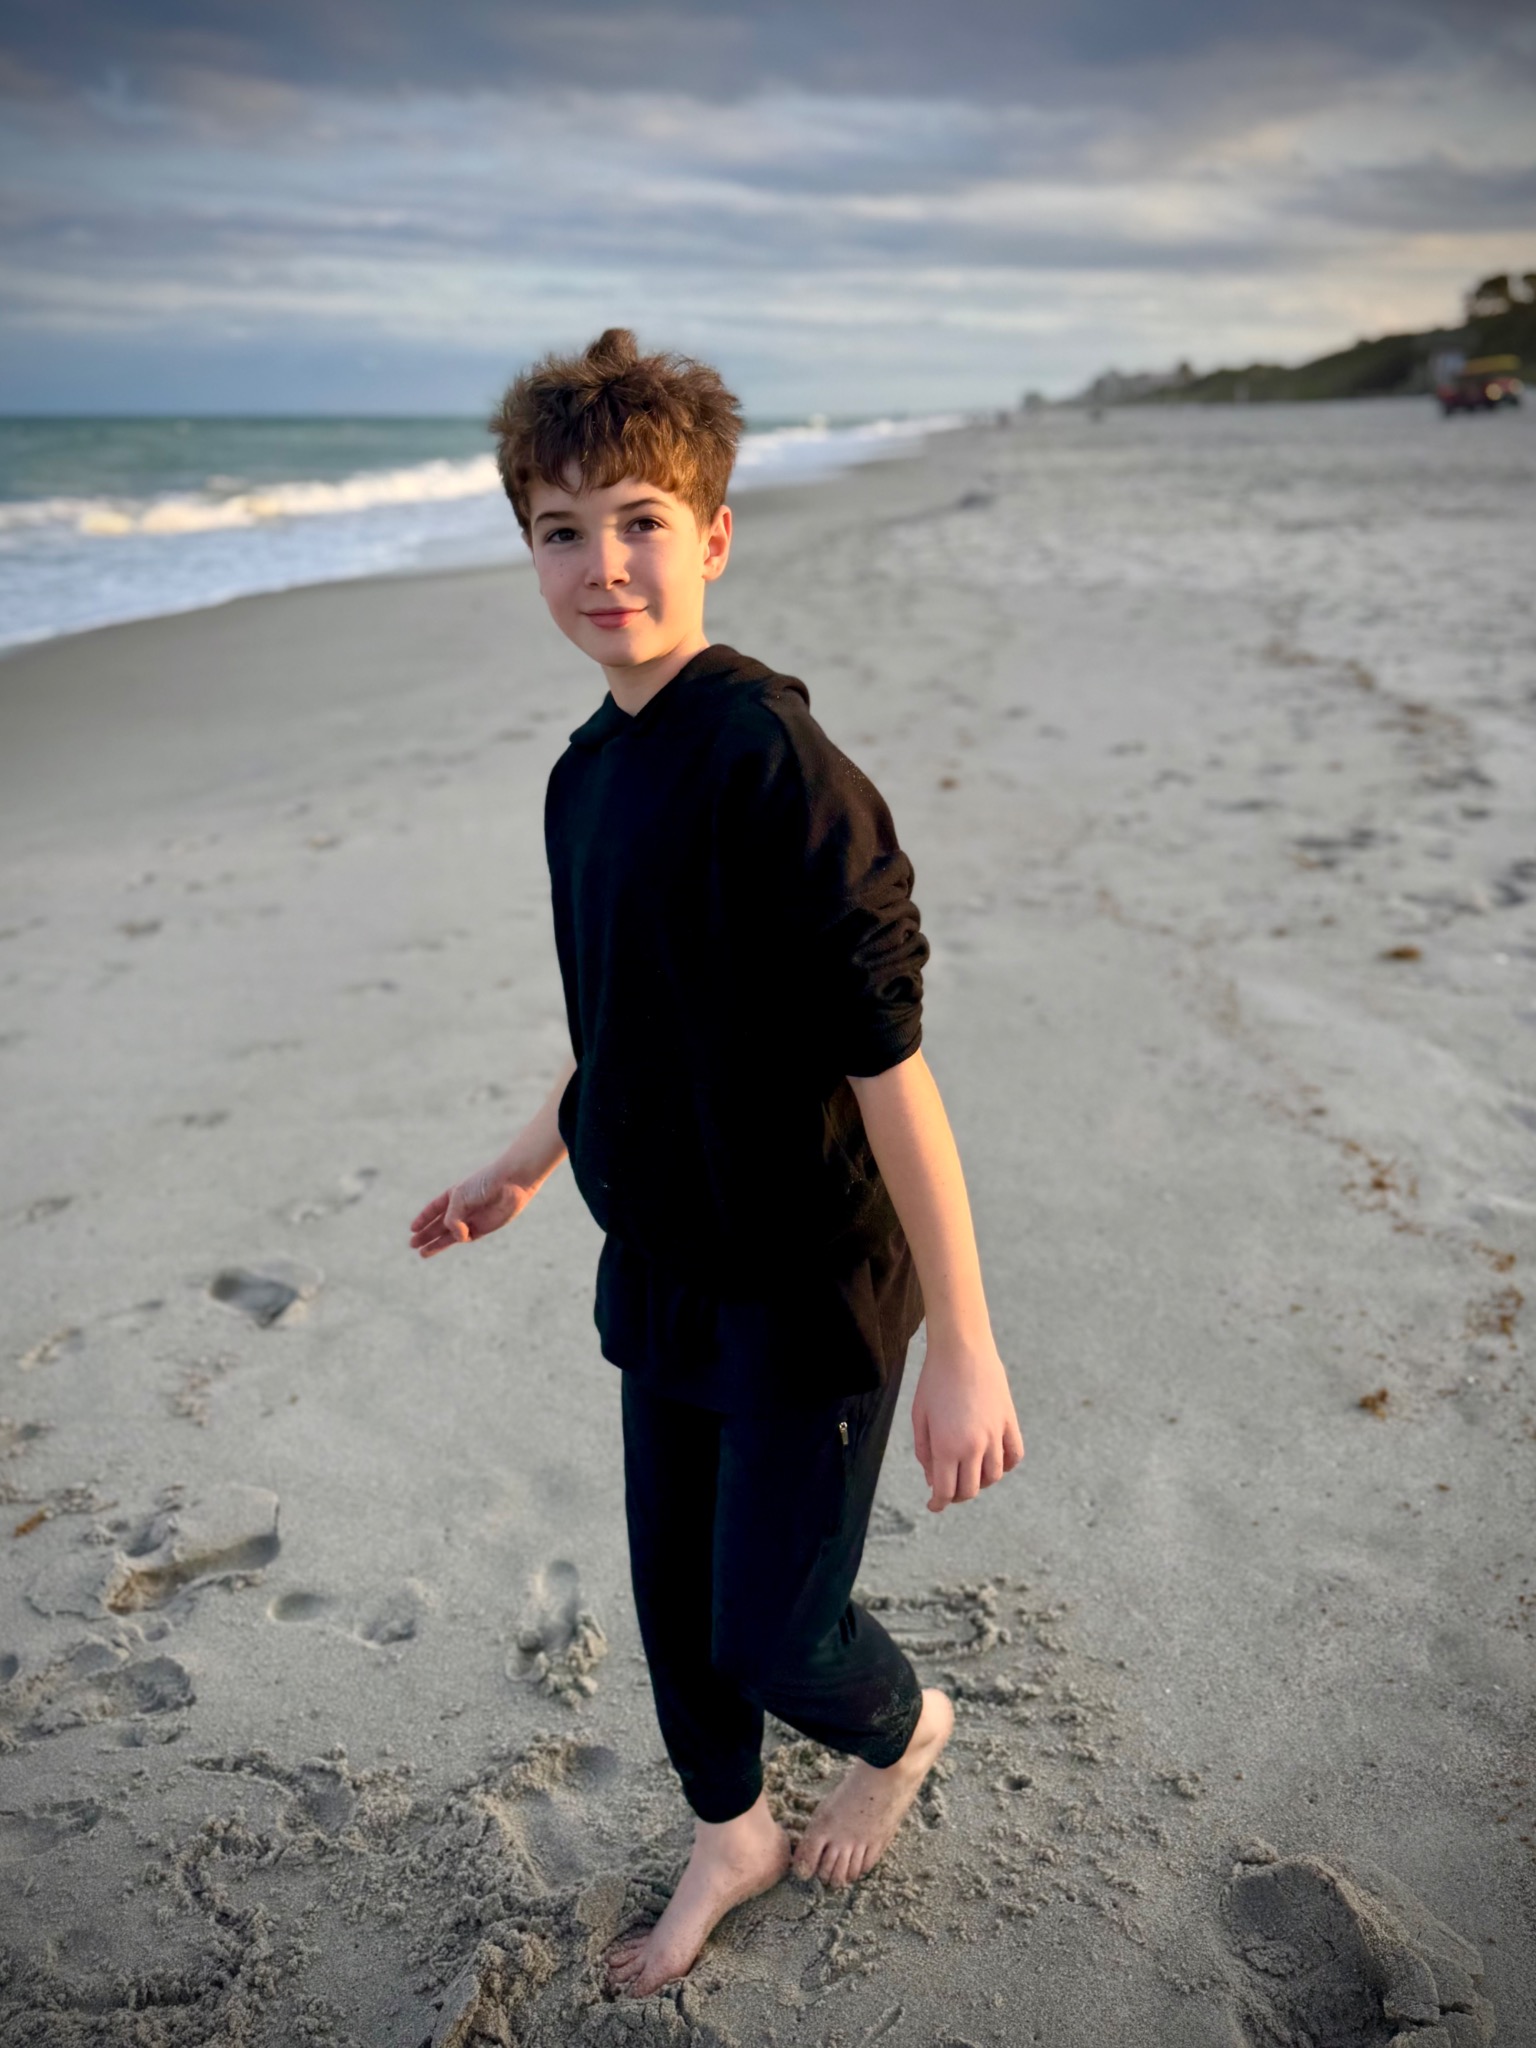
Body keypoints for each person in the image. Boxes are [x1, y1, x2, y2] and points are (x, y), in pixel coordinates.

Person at [408, 328, 1024, 1998]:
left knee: (779, 1632)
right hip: (666, 1264)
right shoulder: (586, 775)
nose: (602, 565)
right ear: (527, 547)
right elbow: (627, 1021)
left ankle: (907, 1728)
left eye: (640, 522)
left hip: (813, 1283)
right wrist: (527, 1159)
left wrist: (964, 1343)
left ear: (715, 535)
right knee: (677, 1610)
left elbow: (891, 1074)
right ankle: (730, 1832)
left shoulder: (775, 766)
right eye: (561, 530)